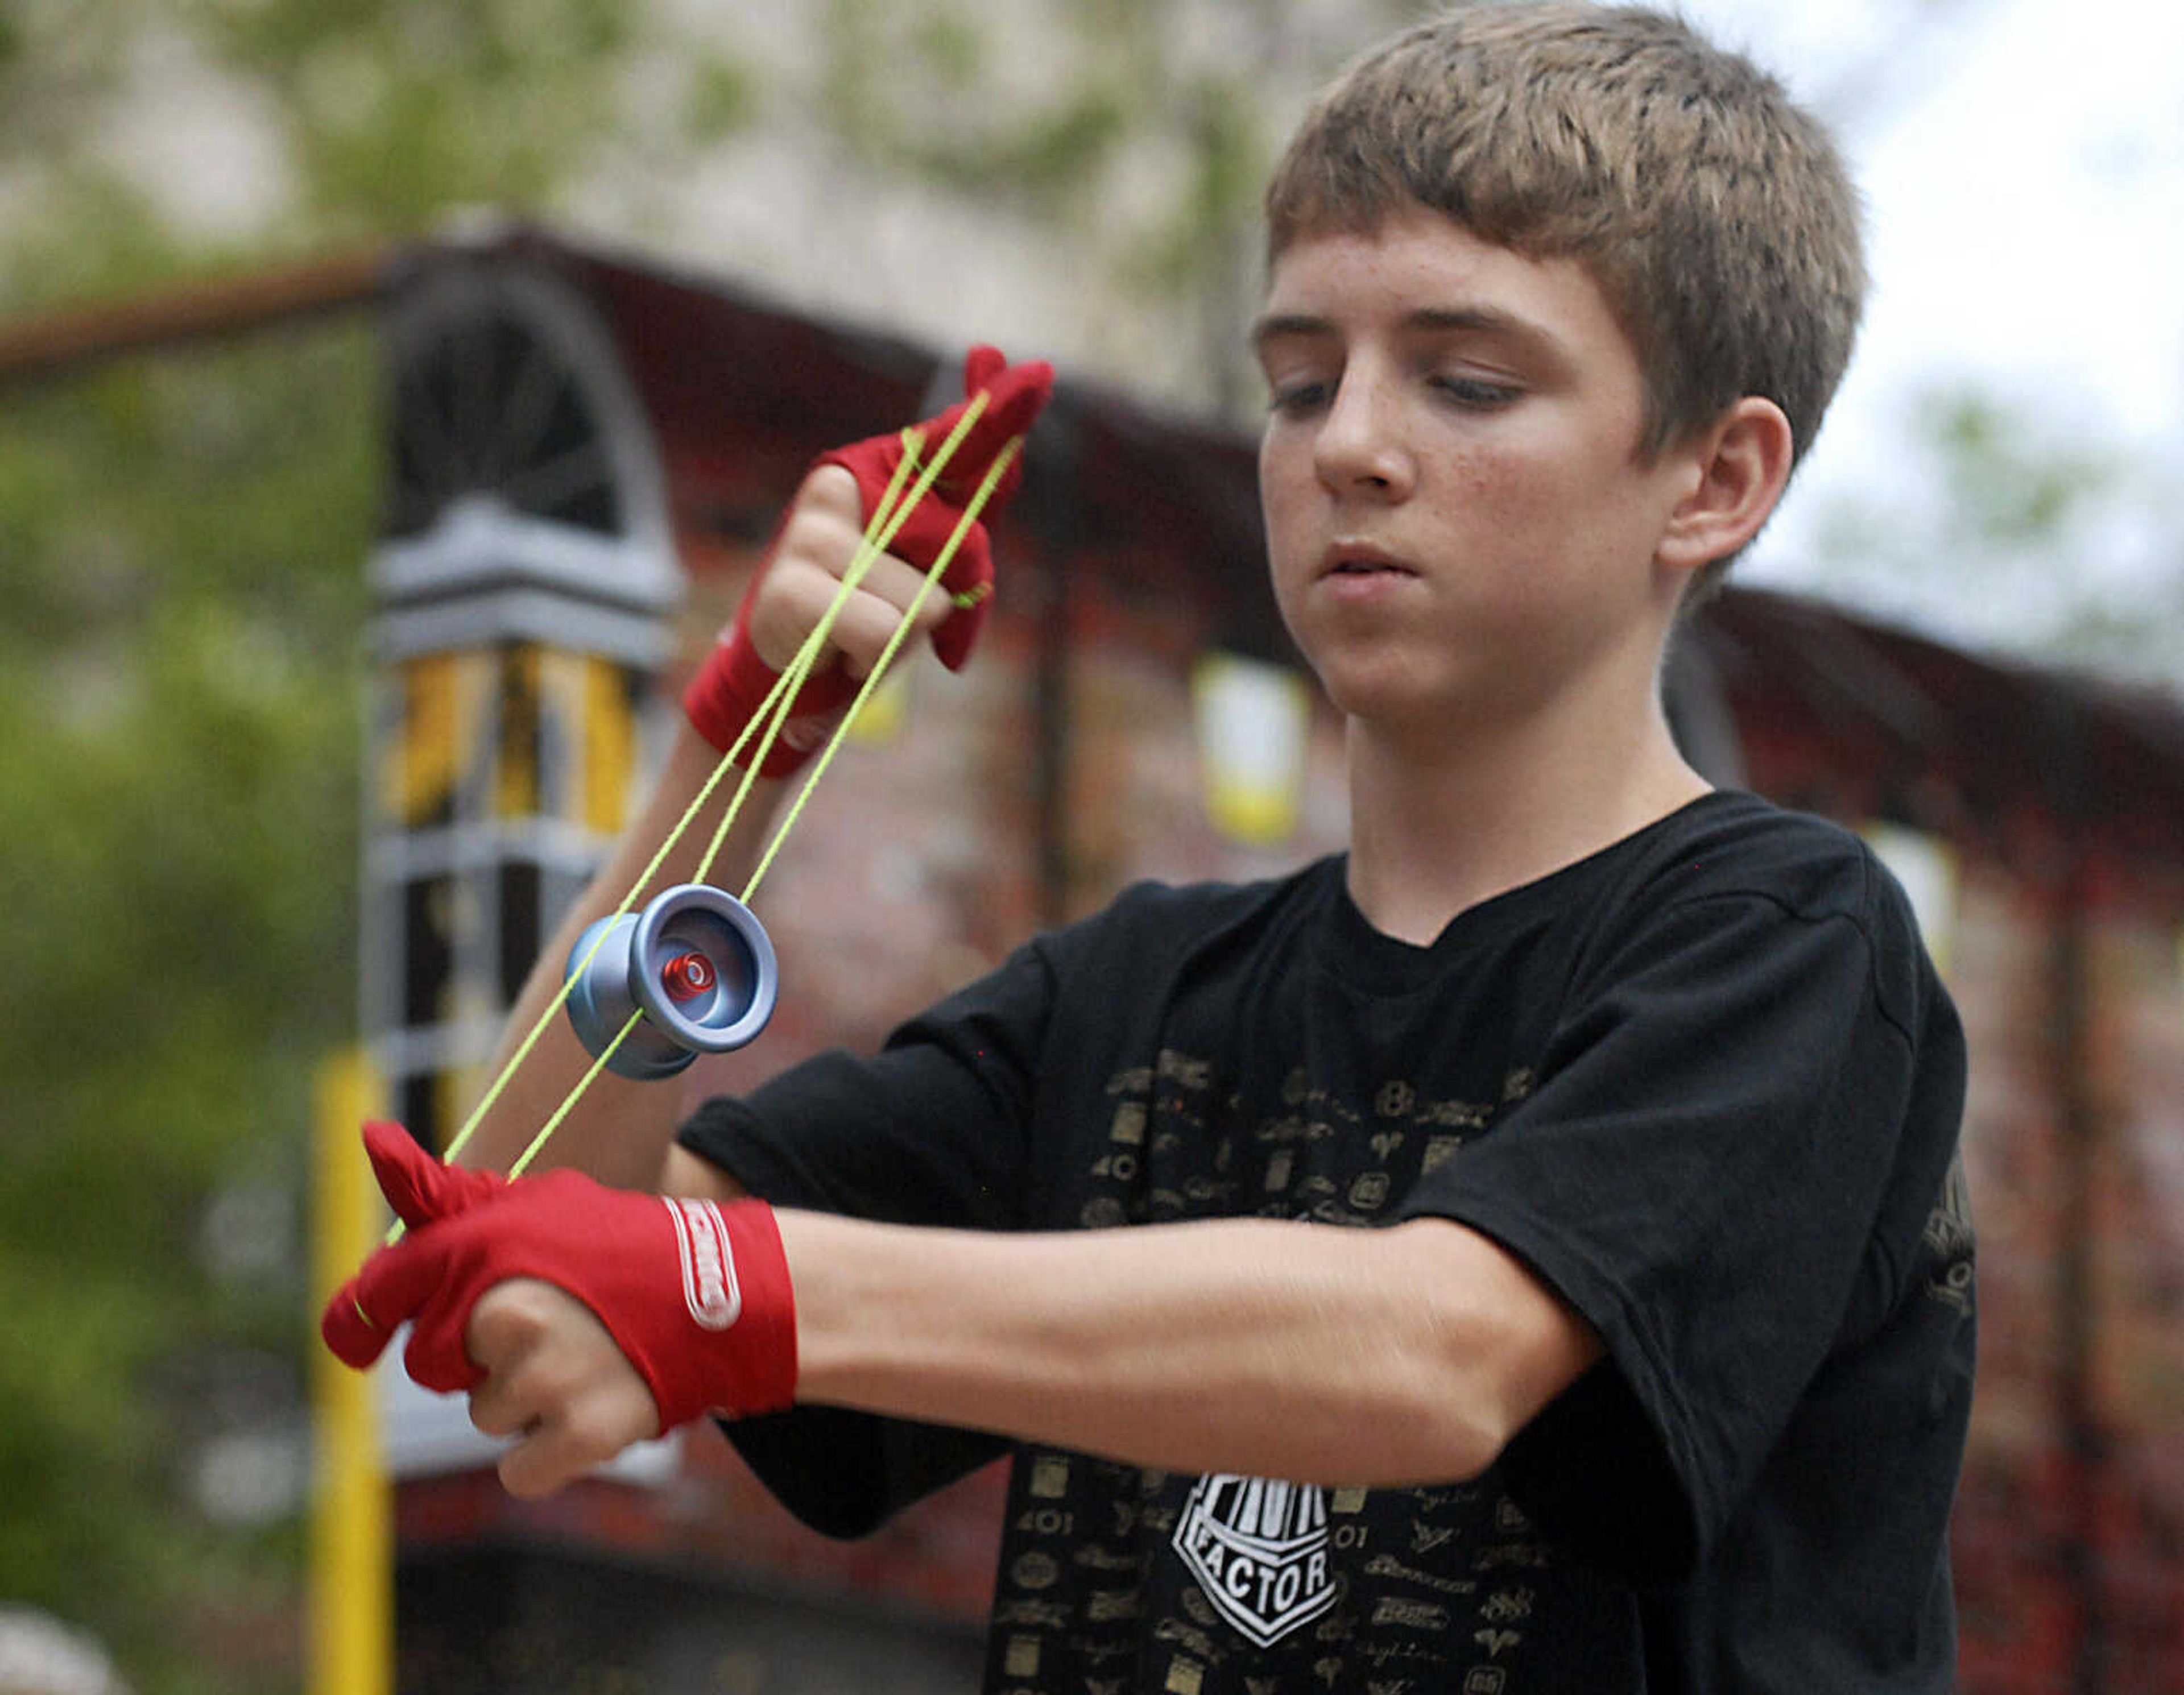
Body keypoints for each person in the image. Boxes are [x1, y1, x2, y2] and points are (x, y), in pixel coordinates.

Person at [324, 3, 1976, 1690]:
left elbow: (1440, 1353)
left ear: (1715, 478)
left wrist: (723, 1288)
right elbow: (536, 1238)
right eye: (1299, 382)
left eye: (1468, 381)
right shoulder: (1135, 998)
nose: (1349, 446)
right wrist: (737, 752)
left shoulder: (1793, 943)